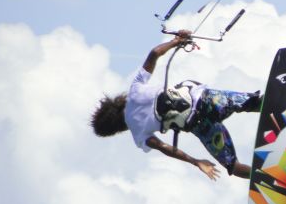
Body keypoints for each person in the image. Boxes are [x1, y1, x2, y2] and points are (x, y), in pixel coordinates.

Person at [90, 30, 262, 180]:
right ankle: (277, 104)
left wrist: (196, 162)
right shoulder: (135, 89)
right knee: (252, 103)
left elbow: (165, 148)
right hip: (206, 99)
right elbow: (154, 53)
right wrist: (177, 41)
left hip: (202, 126)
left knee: (233, 166)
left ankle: (272, 180)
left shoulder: (139, 135)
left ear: (115, 129)